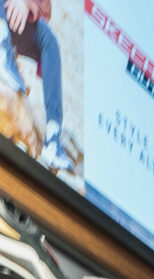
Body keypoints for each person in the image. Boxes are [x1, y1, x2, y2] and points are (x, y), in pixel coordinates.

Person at [0, 0, 64, 173]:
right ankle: (3, 51)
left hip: (13, 15)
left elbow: (45, 9)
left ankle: (53, 136)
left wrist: (26, 3)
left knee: (49, 39)